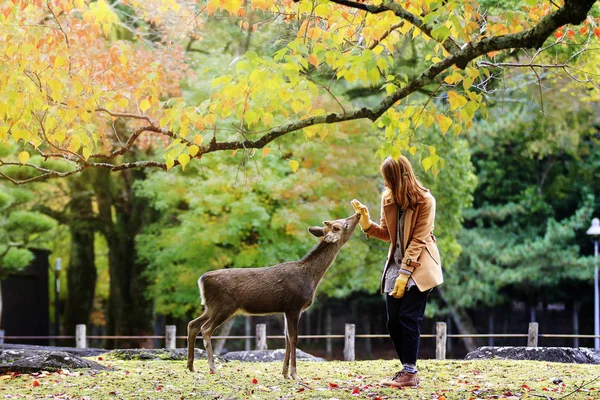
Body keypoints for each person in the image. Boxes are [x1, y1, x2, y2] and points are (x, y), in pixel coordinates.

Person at [351, 155, 443, 388]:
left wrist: (406, 273)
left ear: (399, 178)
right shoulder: (388, 199)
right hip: (396, 264)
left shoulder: (425, 201)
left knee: (408, 318)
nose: (385, 184)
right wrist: (367, 224)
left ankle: (410, 372)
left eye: (388, 179)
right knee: (393, 322)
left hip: (420, 265)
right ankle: (407, 371)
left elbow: (419, 239)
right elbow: (388, 234)